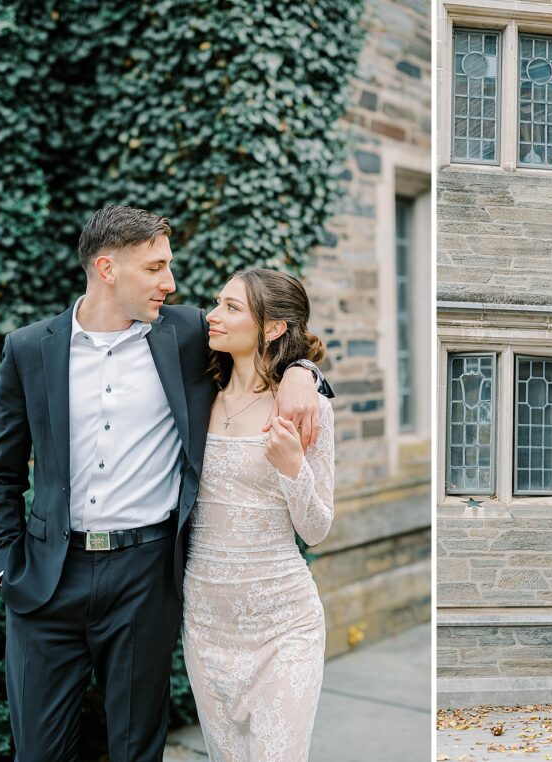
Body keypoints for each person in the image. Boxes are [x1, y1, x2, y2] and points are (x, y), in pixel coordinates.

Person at [0, 205, 330, 761]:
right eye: (155, 268)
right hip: (47, 578)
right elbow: (0, 473)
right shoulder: (29, 349)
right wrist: (5, 563)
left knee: (136, 750)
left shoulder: (187, 333)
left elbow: (270, 343)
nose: (171, 282)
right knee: (38, 754)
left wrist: (301, 375)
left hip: (145, 577)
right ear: (106, 268)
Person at [182, 269, 334, 762]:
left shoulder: (304, 411)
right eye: (217, 302)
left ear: (271, 328)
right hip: (205, 621)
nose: (212, 315)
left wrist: (294, 470)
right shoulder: (196, 395)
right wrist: (304, 368)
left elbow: (317, 528)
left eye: (231, 307)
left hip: (282, 623)